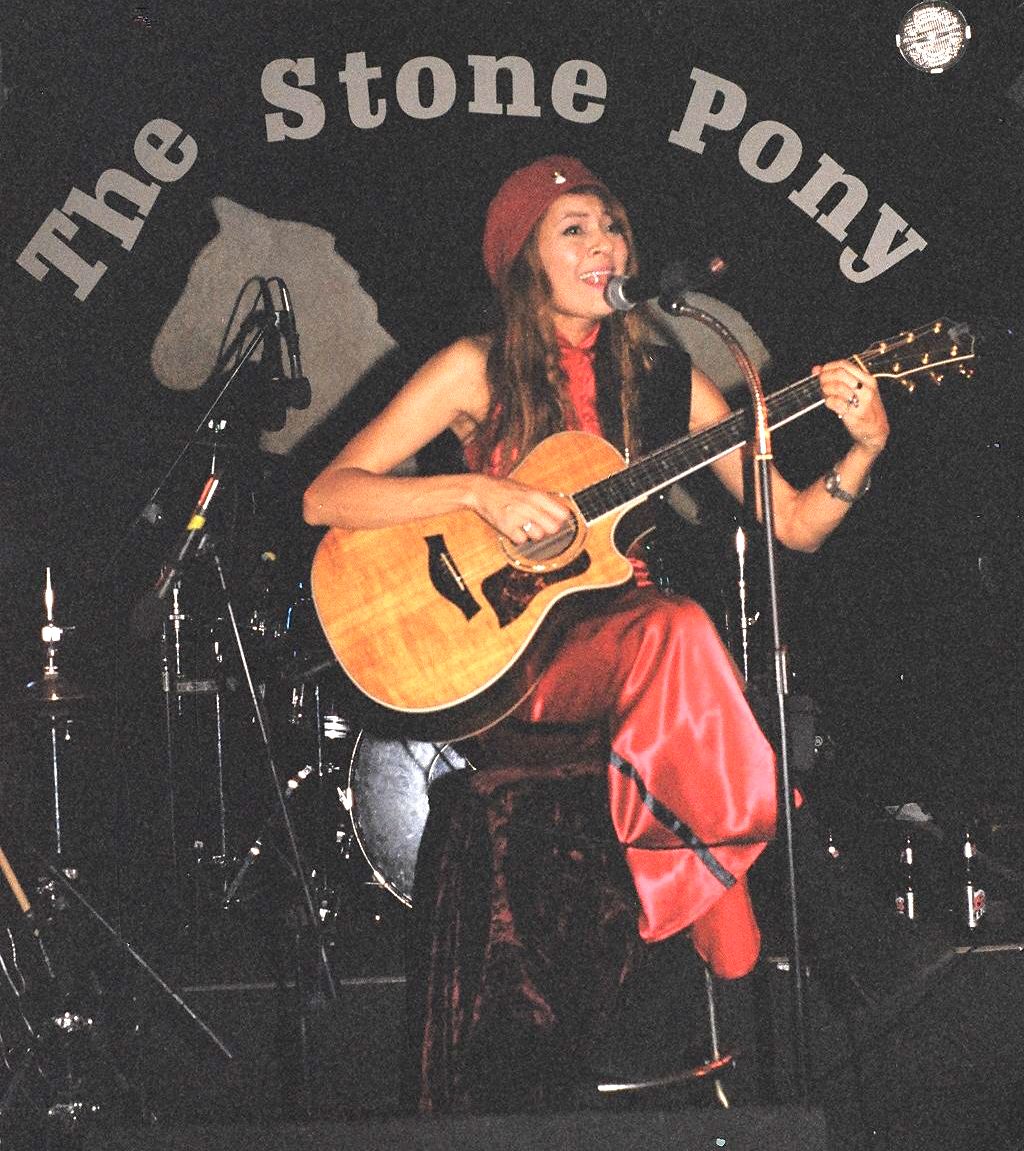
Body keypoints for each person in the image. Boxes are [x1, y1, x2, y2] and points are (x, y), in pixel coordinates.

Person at [303, 155, 889, 981]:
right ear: (525, 262)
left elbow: (793, 524)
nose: (603, 243)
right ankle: (800, 899)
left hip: (637, 646)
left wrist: (863, 450)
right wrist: (480, 493)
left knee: (674, 632)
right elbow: (325, 496)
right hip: (515, 658)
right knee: (677, 631)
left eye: (611, 226)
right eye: (573, 229)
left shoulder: (664, 381)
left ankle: (731, 904)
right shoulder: (472, 367)